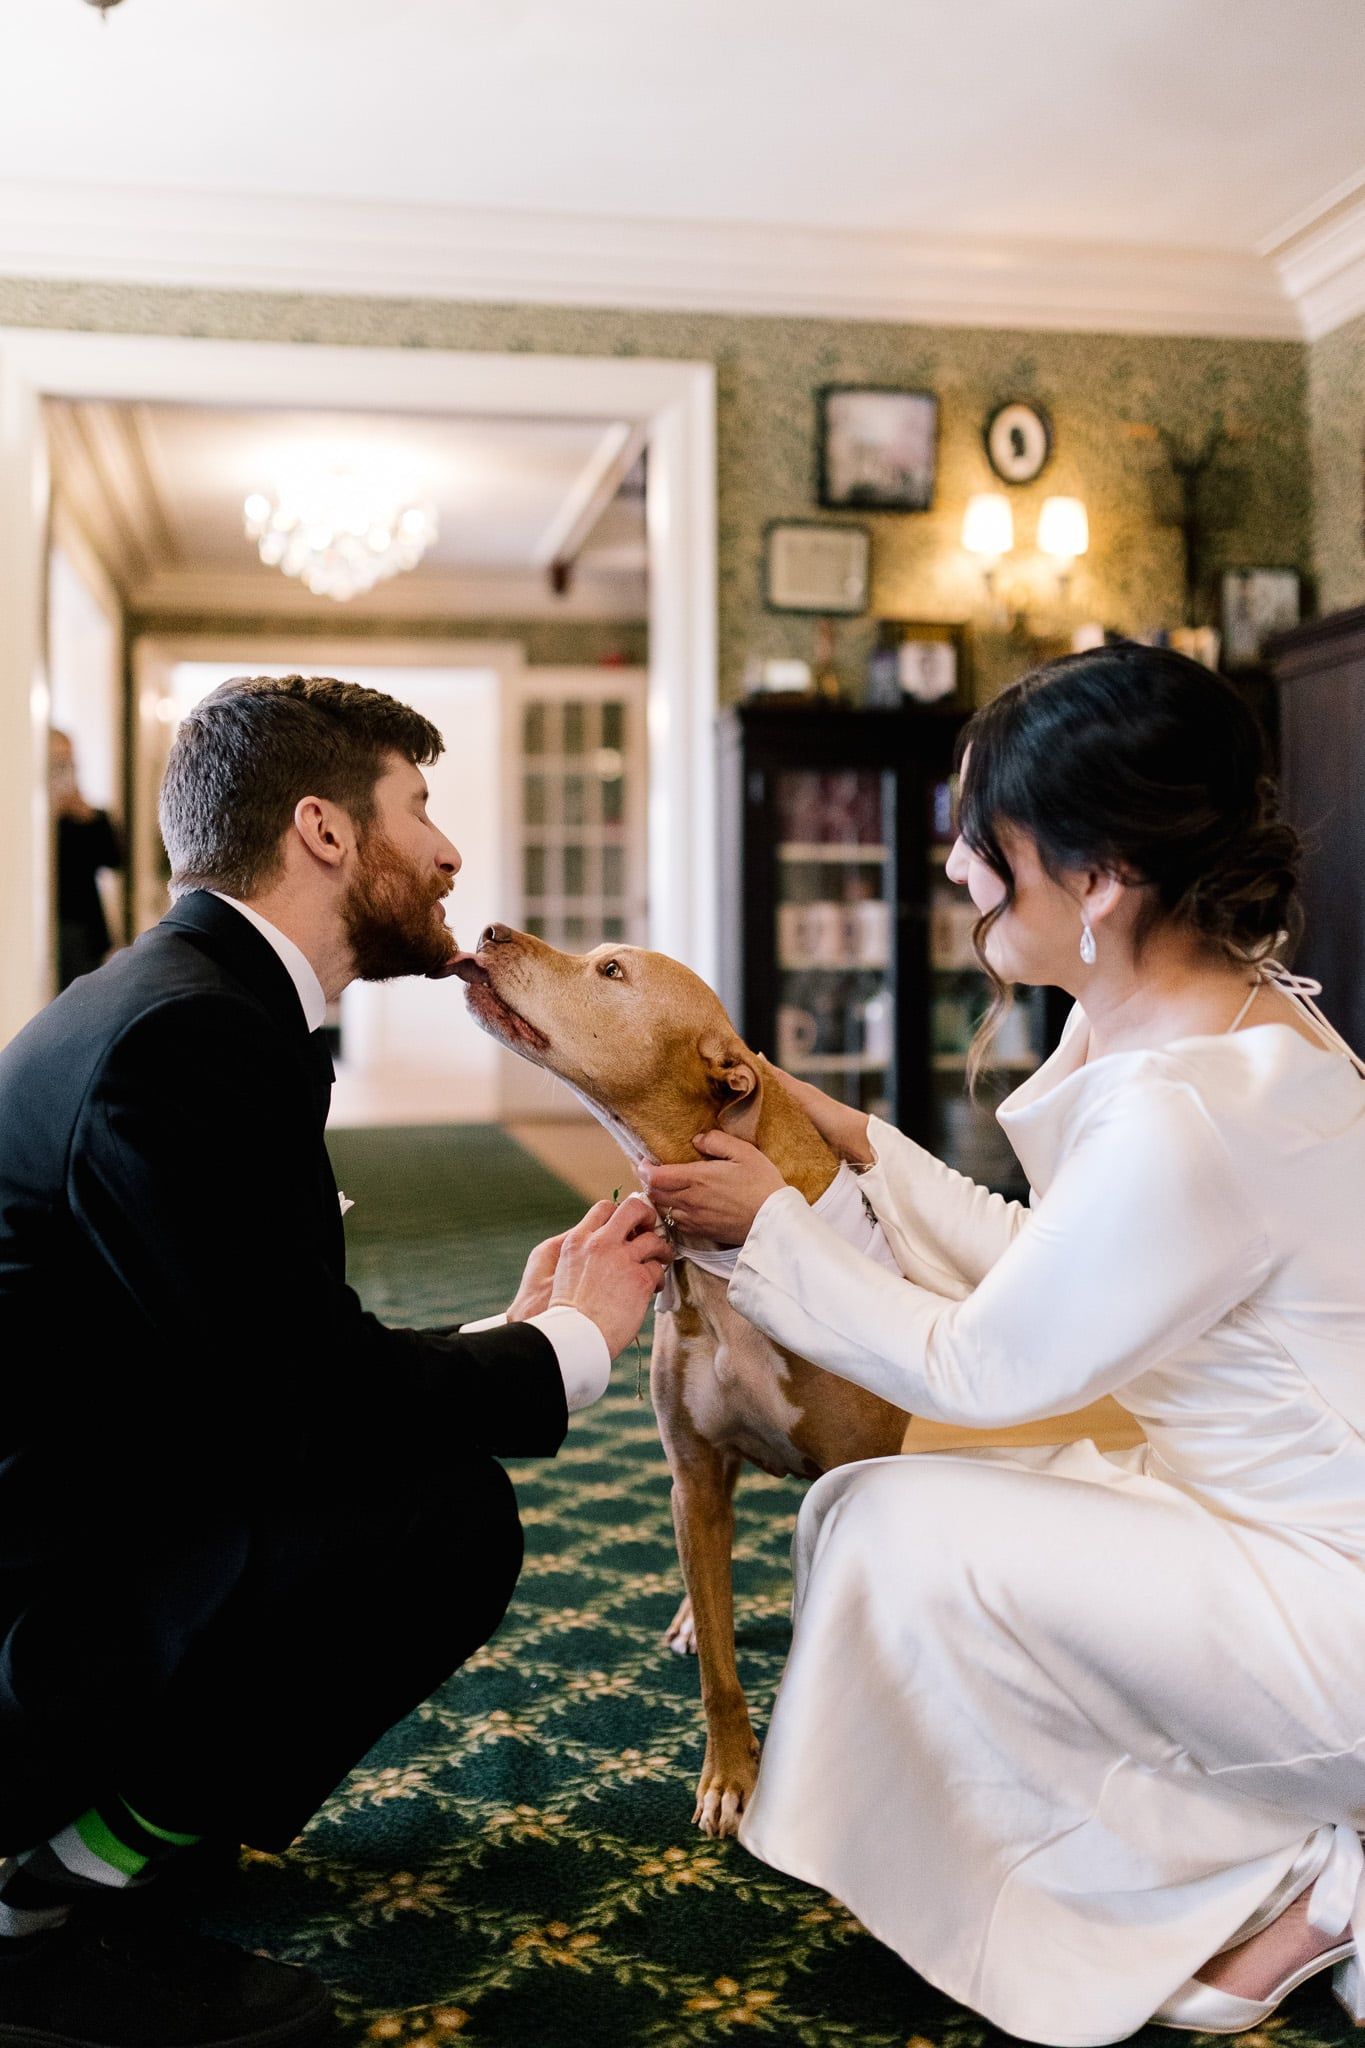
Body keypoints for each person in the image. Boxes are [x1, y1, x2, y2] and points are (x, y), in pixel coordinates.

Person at [643, 643, 1365, 2046]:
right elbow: (1059, 1268)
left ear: (1097, 880)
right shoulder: (1217, 1012)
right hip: (1281, 1530)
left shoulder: (1185, 1107)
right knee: (915, 1512)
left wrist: (768, 1237)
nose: (960, 863)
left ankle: (1306, 1867)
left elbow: (989, 1364)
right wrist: (853, 1141)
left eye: (989, 839)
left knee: (884, 1526)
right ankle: (1230, 1841)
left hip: (1332, 1596)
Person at [0, 674, 672, 2048]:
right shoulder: (184, 1037)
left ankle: (123, 1838)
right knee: (441, 1522)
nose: (446, 852)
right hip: (33, 1585)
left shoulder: (188, 999)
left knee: (415, 1475)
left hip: (103, 1480)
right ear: (323, 830)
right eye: (416, 808)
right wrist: (565, 1351)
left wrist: (494, 1343)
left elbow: (255, 1359)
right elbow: (296, 1407)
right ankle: (46, 1898)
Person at [49, 728, 123, 990]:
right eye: (56, 763)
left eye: (68, 762)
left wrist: (86, 816)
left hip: (85, 928)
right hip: (52, 925)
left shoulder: (90, 815)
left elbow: (115, 860)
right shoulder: (39, 823)